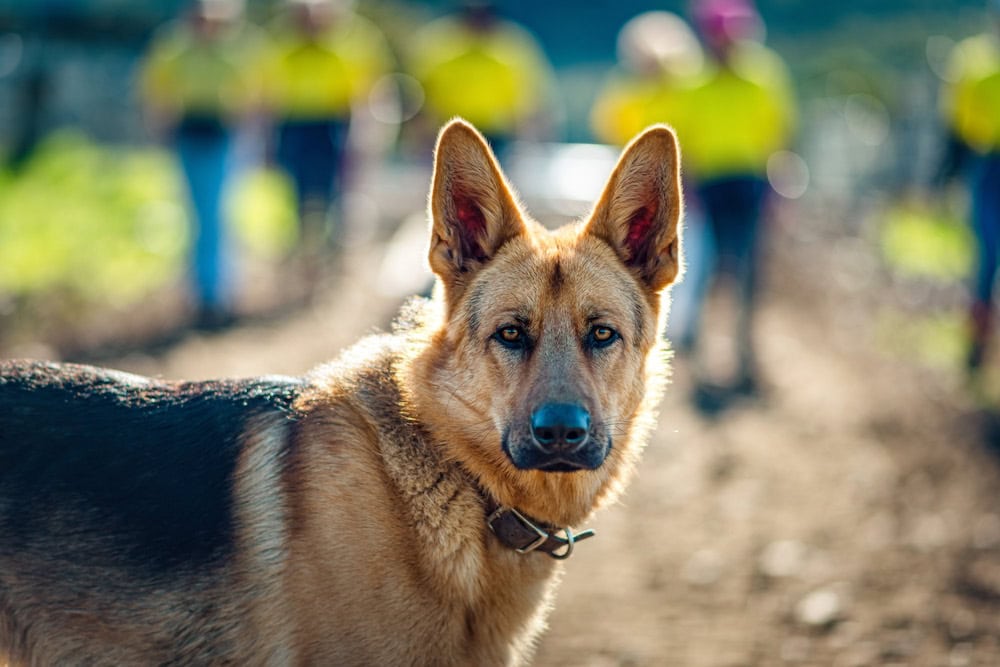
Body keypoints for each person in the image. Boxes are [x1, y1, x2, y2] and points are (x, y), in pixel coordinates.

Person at [681, 0, 796, 399]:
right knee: (708, 266)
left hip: (750, 182)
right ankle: (698, 348)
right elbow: (686, 141)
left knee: (748, 269)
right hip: (712, 185)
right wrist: (687, 188)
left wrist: (777, 187)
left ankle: (744, 352)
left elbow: (778, 135)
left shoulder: (762, 79)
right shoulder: (693, 85)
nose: (724, 44)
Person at [590, 11, 712, 356]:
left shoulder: (688, 94)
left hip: (684, 195)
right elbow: (613, 137)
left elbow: (696, 145)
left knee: (685, 262)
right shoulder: (626, 95)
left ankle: (681, 332)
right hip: (632, 200)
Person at [140, 0, 264, 328]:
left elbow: (254, 96)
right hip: (191, 132)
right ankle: (205, 293)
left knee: (217, 215)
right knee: (200, 215)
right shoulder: (175, 48)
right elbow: (157, 91)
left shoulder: (237, 49)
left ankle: (218, 292)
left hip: (223, 135)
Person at [263, 0, 394, 255]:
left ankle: (332, 250)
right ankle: (298, 245)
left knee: (334, 192)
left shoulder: (344, 52)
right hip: (295, 126)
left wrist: (364, 135)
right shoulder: (284, 51)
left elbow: (362, 97)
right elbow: (269, 98)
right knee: (295, 191)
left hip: (331, 127)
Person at [407, 0, 558, 157]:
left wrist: (535, 138)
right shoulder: (437, 48)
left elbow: (531, 99)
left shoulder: (511, 49)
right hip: (450, 131)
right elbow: (421, 96)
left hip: (495, 135)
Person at [937, 2, 1000, 375]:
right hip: (987, 166)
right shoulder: (972, 63)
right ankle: (976, 349)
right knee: (986, 261)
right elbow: (955, 128)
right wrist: (947, 175)